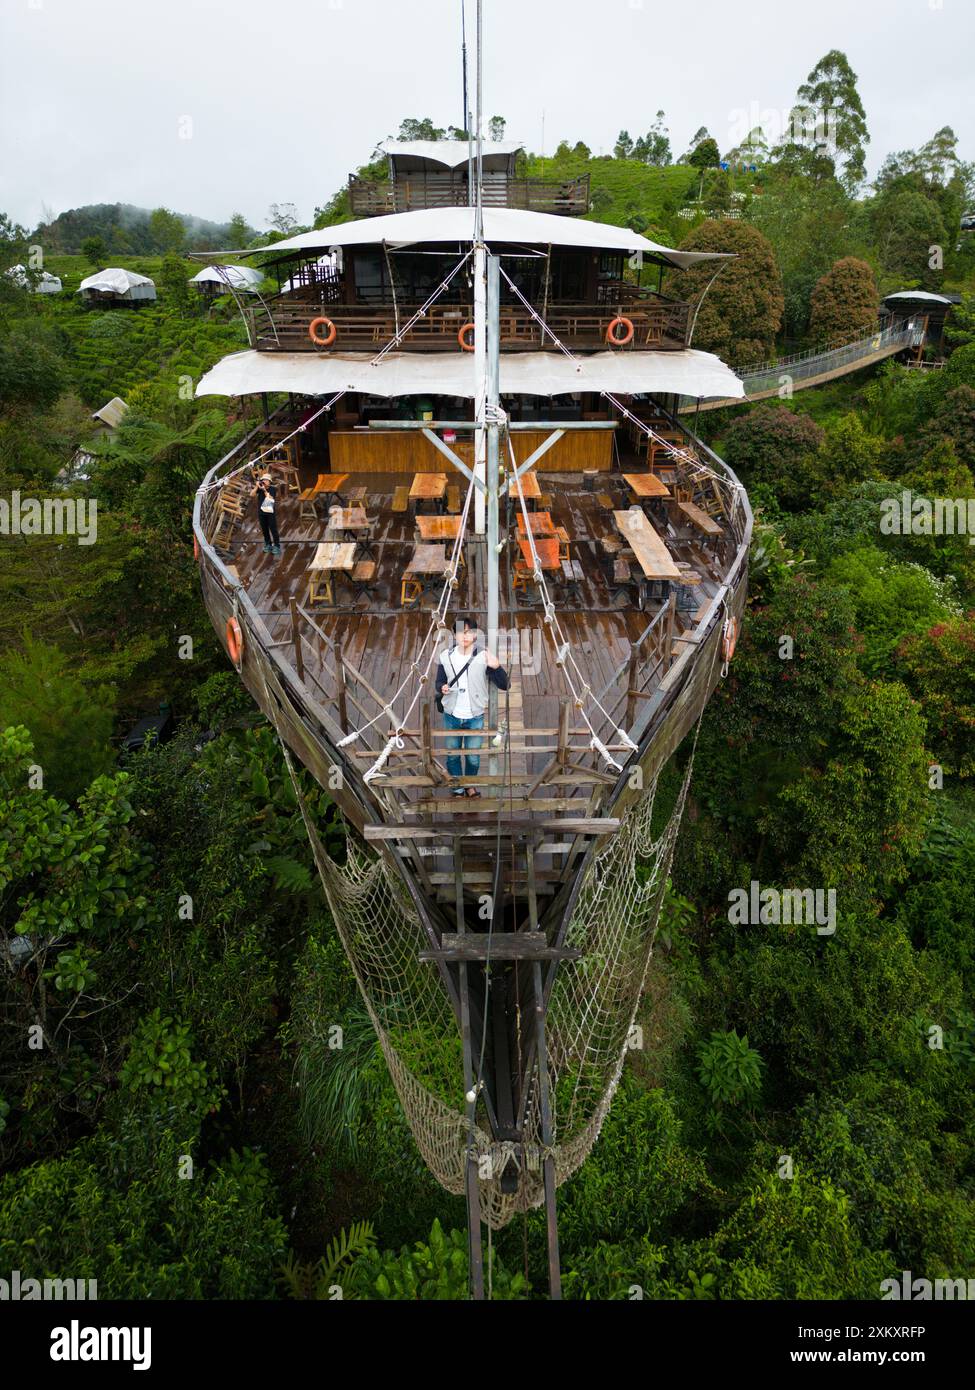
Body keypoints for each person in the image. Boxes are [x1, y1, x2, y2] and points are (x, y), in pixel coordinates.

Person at [435, 615, 509, 798]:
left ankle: (469, 785)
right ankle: (457, 787)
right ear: (455, 635)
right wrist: (441, 687)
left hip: (475, 715)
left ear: (475, 635)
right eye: (461, 632)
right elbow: (439, 681)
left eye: (469, 632)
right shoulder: (446, 657)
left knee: (473, 758)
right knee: (452, 755)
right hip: (451, 714)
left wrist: (497, 666)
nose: (465, 636)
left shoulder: (483, 656)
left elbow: (504, 685)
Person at [254, 472, 281, 556]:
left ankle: (276, 546)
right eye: (263, 480)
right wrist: (256, 486)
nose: (264, 481)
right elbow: (251, 494)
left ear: (269, 482)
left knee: (273, 529)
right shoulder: (260, 488)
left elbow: (270, 498)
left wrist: (264, 489)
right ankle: (268, 544)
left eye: (266, 480)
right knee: (264, 529)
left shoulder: (272, 489)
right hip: (261, 512)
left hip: (270, 512)